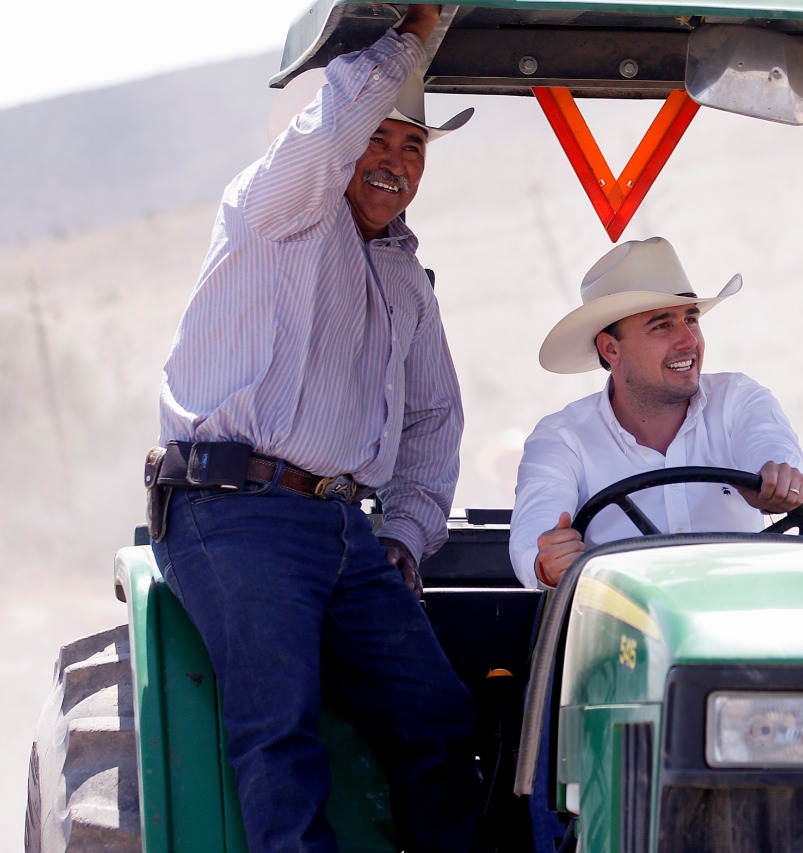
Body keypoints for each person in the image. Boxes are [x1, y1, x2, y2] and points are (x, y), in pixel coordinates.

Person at [144, 6, 477, 851]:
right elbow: (326, 137)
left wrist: (403, 535)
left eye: (415, 147)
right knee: (278, 733)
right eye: (381, 139)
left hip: (341, 526)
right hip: (235, 511)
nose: (396, 163)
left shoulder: (403, 270)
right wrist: (415, 32)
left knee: (439, 716)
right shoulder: (279, 203)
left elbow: (436, 415)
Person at [509, 236, 803, 590]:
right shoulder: (562, 438)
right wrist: (547, 563)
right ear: (610, 349)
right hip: (625, 632)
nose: (688, 340)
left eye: (692, 320)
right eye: (662, 325)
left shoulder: (739, 398)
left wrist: (777, 480)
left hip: (738, 621)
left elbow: (774, 452)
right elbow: (533, 540)